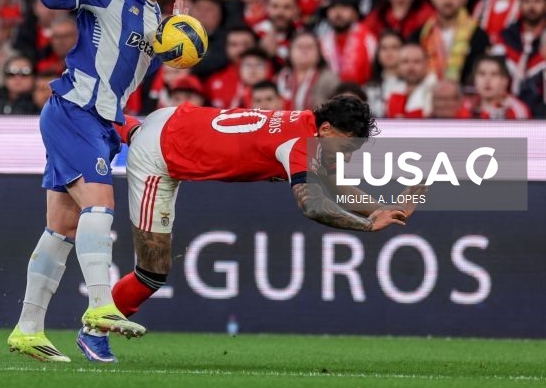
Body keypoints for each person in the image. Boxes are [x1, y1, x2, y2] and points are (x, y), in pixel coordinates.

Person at [7, 0, 196, 364]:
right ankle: (100, 304)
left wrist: (172, 37)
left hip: (102, 123)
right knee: (99, 206)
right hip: (73, 110)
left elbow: (130, 70)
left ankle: (27, 329)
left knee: (62, 228)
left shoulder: (157, 16)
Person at [107, 95, 416, 332]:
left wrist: (379, 208)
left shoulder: (315, 133)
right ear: (325, 129)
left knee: (125, 126)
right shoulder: (301, 144)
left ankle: (104, 117)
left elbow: (334, 187)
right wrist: (365, 225)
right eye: (348, 147)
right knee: (153, 271)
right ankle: (96, 328)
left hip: (173, 120)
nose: (350, 155)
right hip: (159, 156)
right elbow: (311, 205)